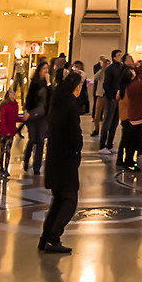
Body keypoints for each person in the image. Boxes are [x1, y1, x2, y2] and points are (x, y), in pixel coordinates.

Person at [39, 63, 88, 254]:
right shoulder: (70, 105)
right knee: (69, 200)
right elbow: (75, 134)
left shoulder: (58, 101)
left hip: (54, 157)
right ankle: (53, 238)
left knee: (58, 199)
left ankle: (46, 238)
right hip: (65, 159)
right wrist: (78, 148)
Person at [117, 57, 142, 173]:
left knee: (129, 140)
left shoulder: (127, 86)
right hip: (136, 117)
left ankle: (127, 161)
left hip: (132, 117)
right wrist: (139, 66)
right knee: (133, 141)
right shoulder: (134, 86)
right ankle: (129, 162)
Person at [0, 82, 22, 182]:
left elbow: (15, 118)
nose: (13, 95)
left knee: (8, 151)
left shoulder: (15, 105)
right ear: (8, 95)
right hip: (4, 132)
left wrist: (24, 118)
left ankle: (6, 169)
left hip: (11, 132)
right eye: (11, 93)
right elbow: (3, 120)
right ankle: (1, 168)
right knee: (2, 150)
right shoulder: (5, 105)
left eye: (14, 93)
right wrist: (6, 131)